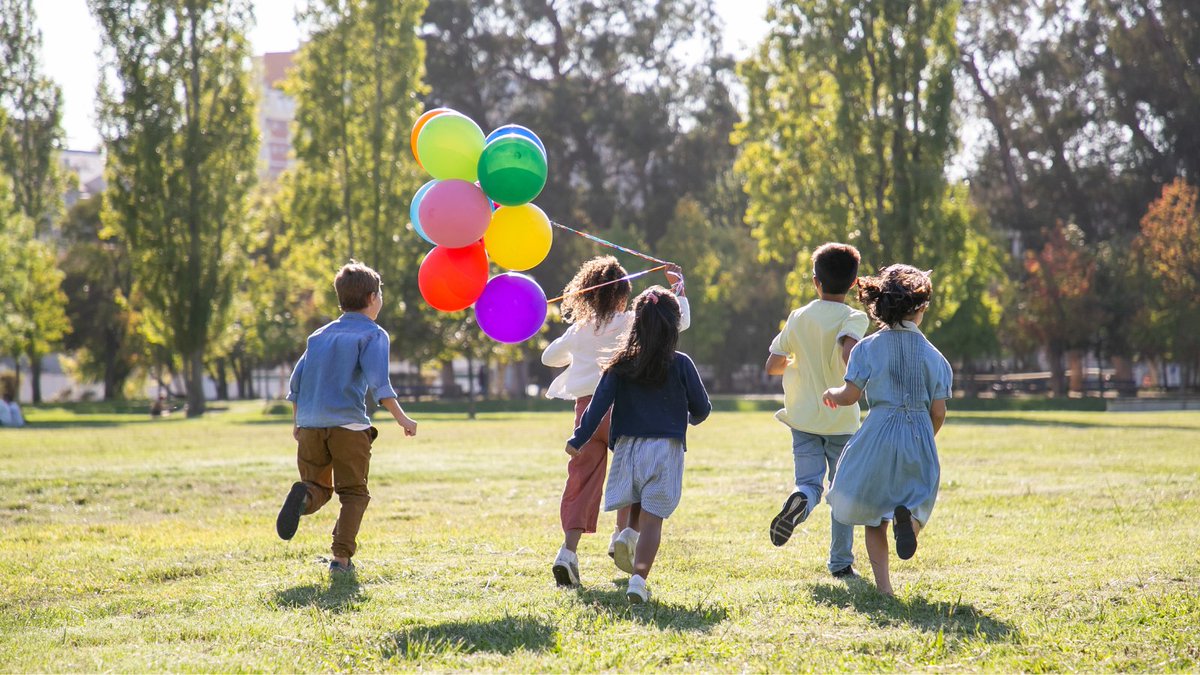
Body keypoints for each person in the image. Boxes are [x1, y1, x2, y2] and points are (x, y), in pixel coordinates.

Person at [542, 256, 689, 587]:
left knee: (581, 482)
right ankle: (623, 535)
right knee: (633, 475)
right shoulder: (630, 322)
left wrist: (577, 342)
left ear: (587, 296)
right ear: (623, 294)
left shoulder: (579, 330)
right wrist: (677, 287)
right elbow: (678, 321)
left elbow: (548, 357)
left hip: (586, 415)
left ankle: (568, 552)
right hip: (623, 410)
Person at [566, 286, 711, 603]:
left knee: (634, 500)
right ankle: (638, 580)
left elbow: (597, 407)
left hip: (628, 448)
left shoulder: (620, 364)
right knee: (653, 520)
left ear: (637, 324)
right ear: (673, 326)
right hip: (665, 449)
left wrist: (578, 439)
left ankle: (626, 534)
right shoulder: (682, 363)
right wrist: (687, 417)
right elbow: (702, 408)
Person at [276, 261, 419, 574]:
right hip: (348, 426)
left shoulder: (319, 335)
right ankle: (340, 560)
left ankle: (304, 497)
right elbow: (380, 385)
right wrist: (403, 419)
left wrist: (297, 422)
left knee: (317, 487)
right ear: (371, 298)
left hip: (311, 425)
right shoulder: (373, 335)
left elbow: (296, 383)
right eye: (380, 294)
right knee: (353, 493)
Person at [822, 264, 952, 596]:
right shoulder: (936, 358)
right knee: (918, 500)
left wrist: (832, 394)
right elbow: (938, 411)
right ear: (920, 307)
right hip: (918, 433)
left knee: (873, 514)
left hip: (877, 432)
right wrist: (925, 437)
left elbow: (850, 396)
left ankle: (885, 590)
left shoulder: (866, 348)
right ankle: (909, 524)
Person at [764, 243, 869, 579]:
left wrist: (801, 362)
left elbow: (772, 365)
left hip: (803, 417)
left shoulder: (799, 316)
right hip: (840, 418)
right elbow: (848, 350)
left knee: (809, 483)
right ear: (853, 284)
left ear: (815, 281)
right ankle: (840, 563)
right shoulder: (855, 316)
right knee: (842, 491)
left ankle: (799, 500)